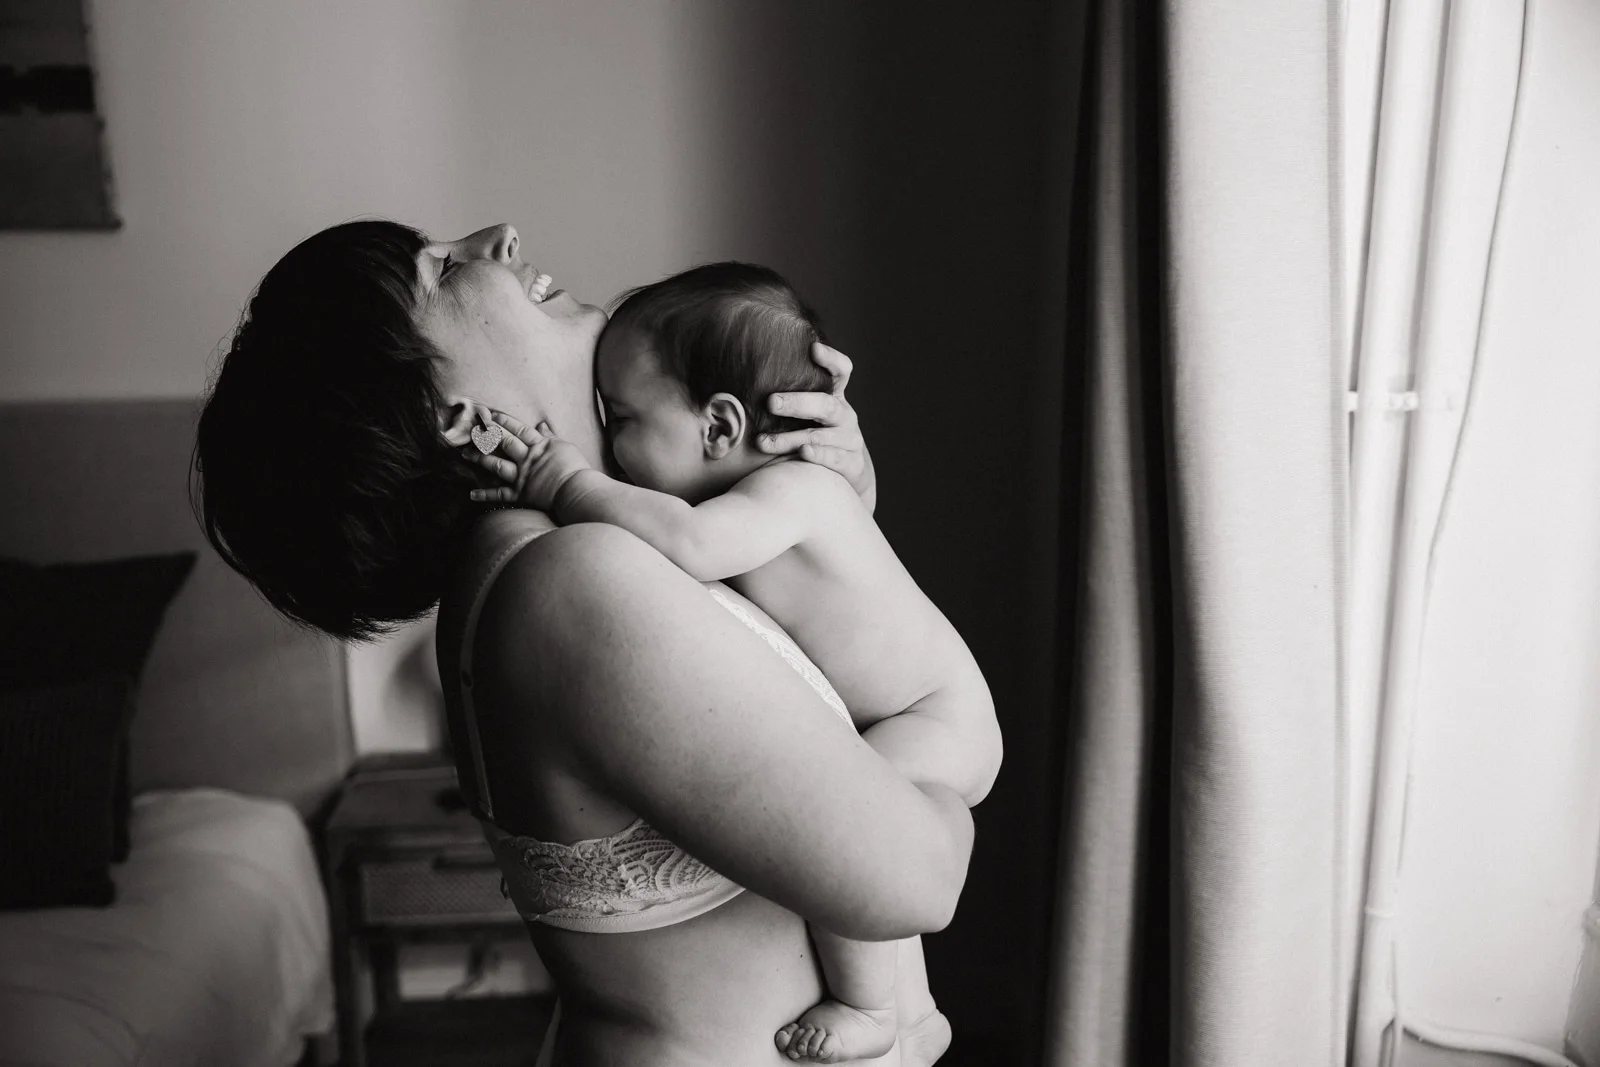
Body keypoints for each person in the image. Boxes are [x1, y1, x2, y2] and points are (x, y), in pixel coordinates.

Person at [193, 220, 995, 1066]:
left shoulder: (573, 554)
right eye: (442, 270)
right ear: (454, 418)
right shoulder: (574, 582)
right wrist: (952, 756)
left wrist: (828, 504)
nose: (499, 238)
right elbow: (917, 879)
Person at [465, 262, 999, 1063]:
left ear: (719, 426)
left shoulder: (776, 498)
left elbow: (691, 543)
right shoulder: (583, 570)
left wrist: (567, 481)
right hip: (913, 711)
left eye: (622, 417)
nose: (613, 443)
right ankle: (908, 1011)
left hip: (931, 713)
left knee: (860, 830)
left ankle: (875, 1003)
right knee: (862, 829)